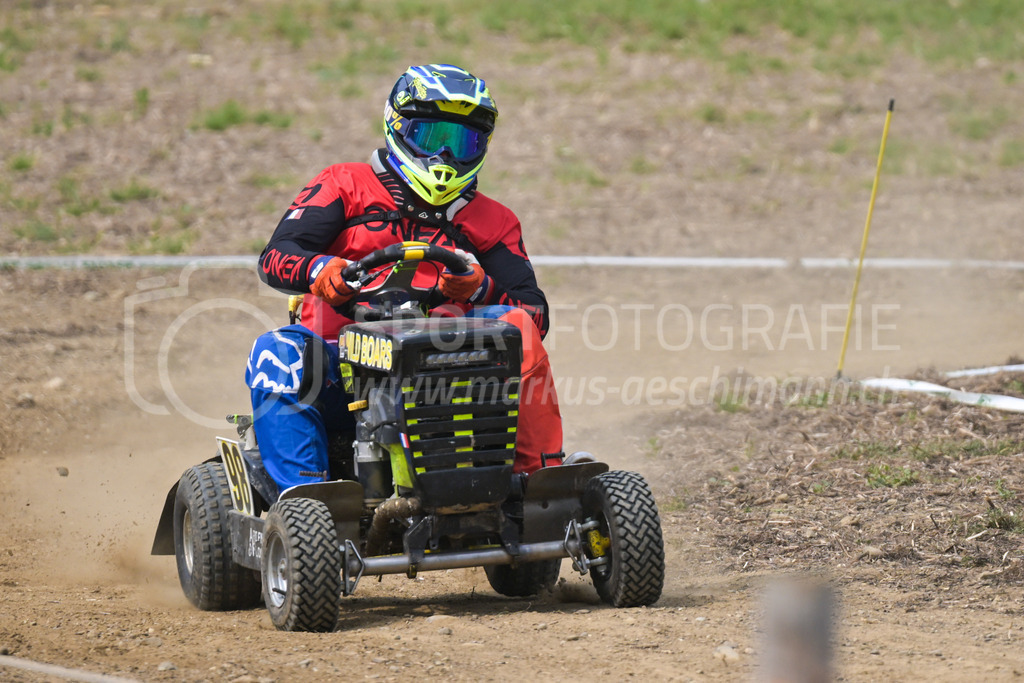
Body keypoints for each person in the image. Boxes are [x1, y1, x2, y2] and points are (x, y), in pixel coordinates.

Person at [245, 64, 563, 493]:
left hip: (450, 369)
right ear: (399, 127)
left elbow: (536, 313)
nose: (445, 156)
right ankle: (305, 500)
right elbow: (276, 257)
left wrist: (481, 287)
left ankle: (540, 484)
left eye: (461, 141)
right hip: (342, 367)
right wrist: (320, 270)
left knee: (519, 329)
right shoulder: (344, 184)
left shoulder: (494, 221)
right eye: (433, 138)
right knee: (276, 352)